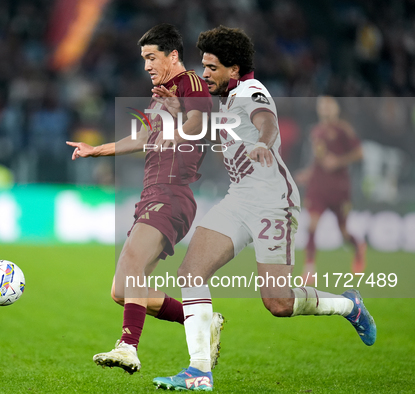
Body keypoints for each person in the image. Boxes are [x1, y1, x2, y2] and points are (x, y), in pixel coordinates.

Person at [151, 26, 376, 391]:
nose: (204, 74)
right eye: (203, 66)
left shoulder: (252, 91)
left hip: (273, 202)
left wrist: (266, 144)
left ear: (234, 70)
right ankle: (199, 371)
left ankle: (350, 306)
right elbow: (220, 129)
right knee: (191, 272)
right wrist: (180, 110)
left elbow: (265, 122)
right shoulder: (232, 97)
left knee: (278, 302)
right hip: (239, 197)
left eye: (211, 67)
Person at [66, 23, 222, 374]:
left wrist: (179, 116)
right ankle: (201, 320)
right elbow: (142, 138)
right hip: (152, 193)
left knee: (134, 263)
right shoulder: (161, 94)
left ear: (173, 55)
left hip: (171, 192)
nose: (147, 65)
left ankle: (128, 347)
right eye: (143, 59)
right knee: (122, 290)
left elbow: (199, 124)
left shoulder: (190, 85)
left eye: (152, 57)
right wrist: (97, 151)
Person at [299, 96, 365, 282]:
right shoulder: (315, 131)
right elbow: (318, 159)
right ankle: (309, 268)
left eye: (329, 105)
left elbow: (360, 153)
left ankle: (358, 247)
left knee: (343, 232)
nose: (325, 109)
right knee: (311, 225)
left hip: (339, 187)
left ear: (336, 109)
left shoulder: (343, 129)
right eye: (322, 106)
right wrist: (308, 173)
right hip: (318, 185)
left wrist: (338, 161)